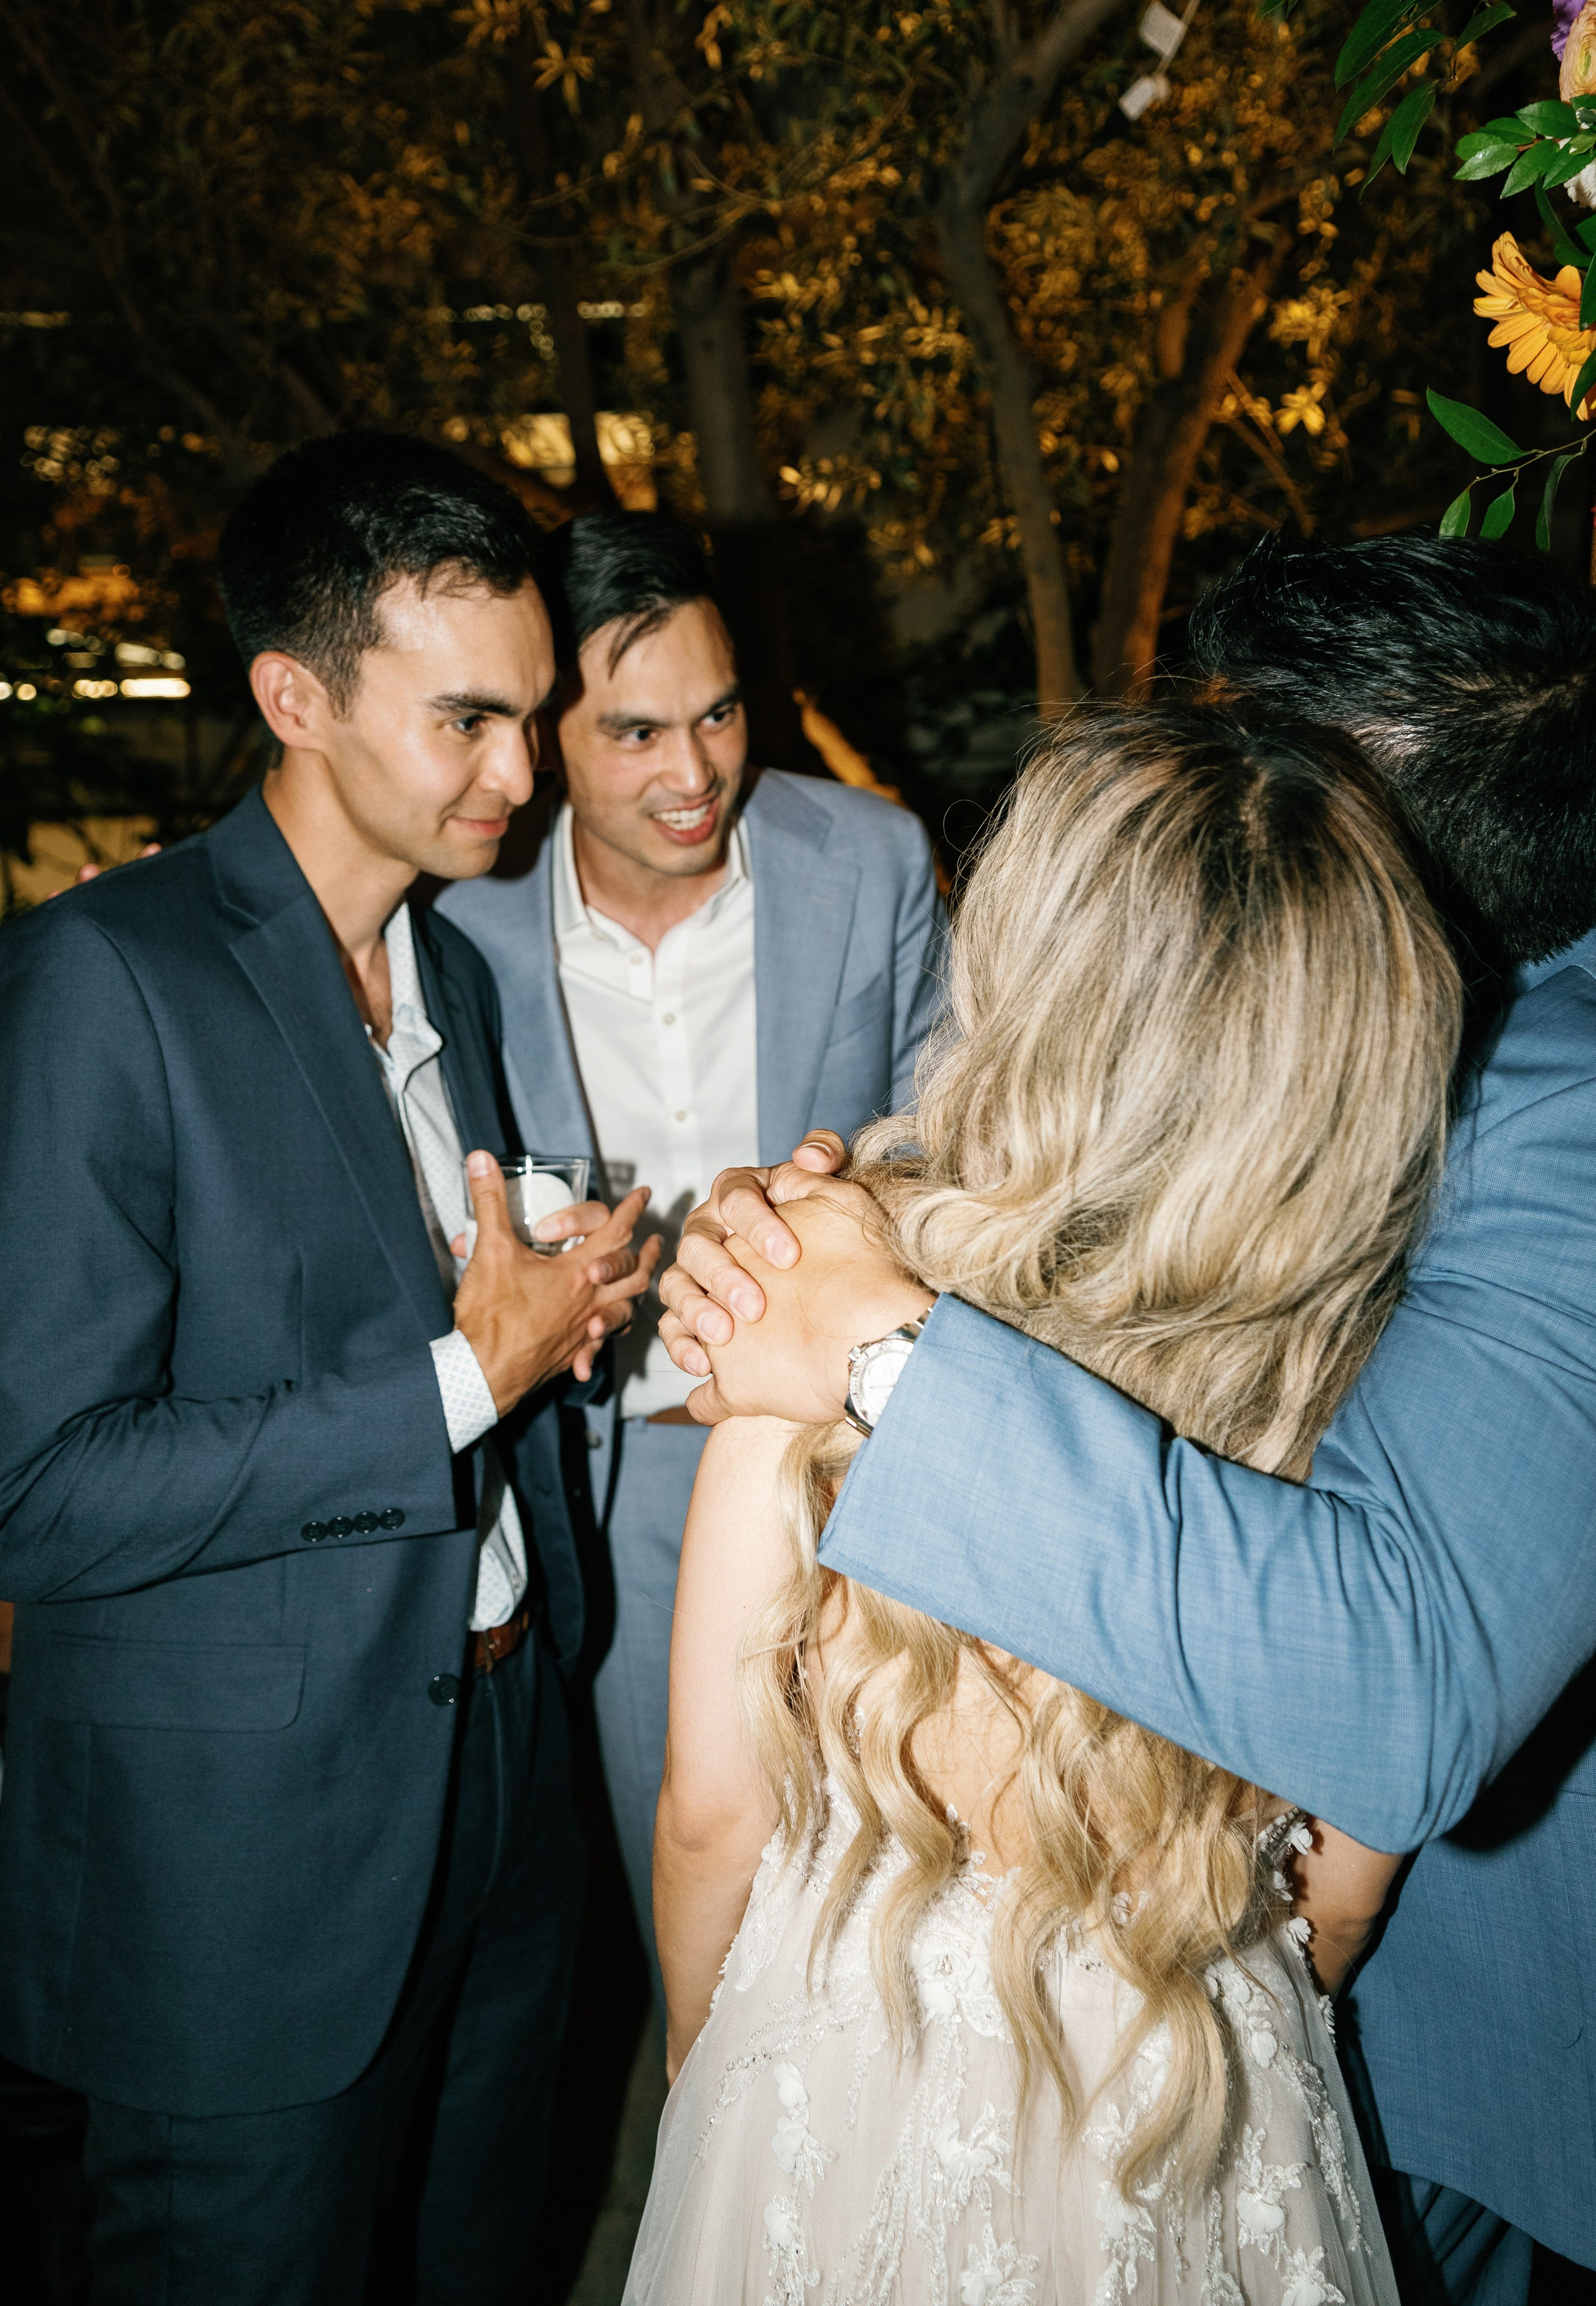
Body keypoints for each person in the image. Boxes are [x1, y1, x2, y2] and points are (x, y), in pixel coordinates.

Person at [660, 531, 1596, 2306]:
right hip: (1224, 2075)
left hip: (1452, 2082)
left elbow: (1391, 1699)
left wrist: (875, 1343)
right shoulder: (1299, 1349)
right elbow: (1337, 1899)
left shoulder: (1571, 1112)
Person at [0, 432, 658, 2306]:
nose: (521, 778)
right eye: (467, 722)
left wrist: (552, 1338)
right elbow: (35, 1490)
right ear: (291, 697)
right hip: (245, 1869)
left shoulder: (443, 968)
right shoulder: (99, 980)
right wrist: (466, 1377)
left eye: (532, 719)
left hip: (503, 1768)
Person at [435, 507, 944, 2005]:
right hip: (600, 1476)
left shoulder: (868, 856)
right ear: (547, 735)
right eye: (637, 731)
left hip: (845, 1449)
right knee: (694, 1899)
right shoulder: (459, 918)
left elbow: (956, 1134)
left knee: (886, 1894)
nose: (694, 772)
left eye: (717, 713)